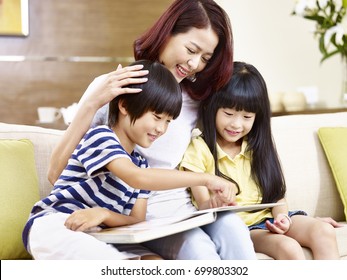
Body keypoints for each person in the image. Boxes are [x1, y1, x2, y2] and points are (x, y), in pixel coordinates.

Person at [48, 0, 256, 260]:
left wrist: (211, 199)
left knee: (234, 228)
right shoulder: (116, 88)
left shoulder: (198, 99)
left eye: (205, 58)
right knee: (199, 250)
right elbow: (56, 173)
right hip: (142, 214)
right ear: (167, 33)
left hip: (185, 207)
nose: (194, 64)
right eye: (191, 49)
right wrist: (92, 103)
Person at [22, 60, 239, 260]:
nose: (161, 129)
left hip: (102, 233)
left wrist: (104, 214)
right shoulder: (101, 137)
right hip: (57, 222)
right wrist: (206, 179)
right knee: (109, 263)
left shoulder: (141, 164)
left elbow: (137, 220)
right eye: (156, 117)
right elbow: (136, 178)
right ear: (124, 106)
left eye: (168, 121)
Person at [180, 61, 340, 260]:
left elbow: (277, 195)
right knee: (288, 247)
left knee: (323, 231)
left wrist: (282, 217)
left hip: (273, 217)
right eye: (228, 114)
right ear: (212, 107)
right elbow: (203, 207)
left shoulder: (257, 146)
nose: (236, 124)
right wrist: (215, 202)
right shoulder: (200, 149)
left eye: (247, 116)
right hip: (245, 227)